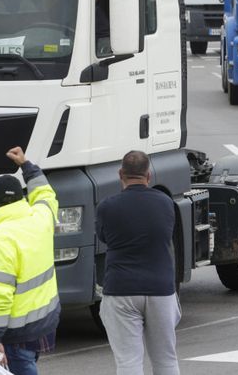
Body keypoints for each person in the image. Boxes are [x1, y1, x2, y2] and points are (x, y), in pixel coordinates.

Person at [0, 147, 60, 375]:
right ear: (22, 198)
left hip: (17, 332)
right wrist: (26, 166)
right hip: (45, 321)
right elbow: (45, 194)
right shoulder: (40, 217)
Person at [95, 151, 181, 375]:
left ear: (120, 174)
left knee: (129, 361)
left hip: (121, 288)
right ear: (148, 175)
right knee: (166, 359)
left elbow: (103, 237)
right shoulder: (166, 203)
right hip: (161, 289)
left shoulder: (107, 206)